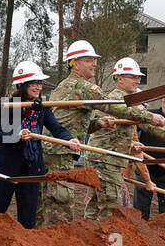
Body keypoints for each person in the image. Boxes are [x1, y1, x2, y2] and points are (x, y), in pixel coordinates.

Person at [85, 57, 165, 220]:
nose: (138, 80)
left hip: (104, 160)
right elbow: (149, 125)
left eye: (139, 77)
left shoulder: (128, 101)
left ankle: (90, 240)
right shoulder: (117, 100)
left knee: (95, 207)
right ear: (120, 79)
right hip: (106, 161)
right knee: (109, 207)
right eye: (134, 77)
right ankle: (105, 242)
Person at [0, 61, 79, 229]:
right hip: (6, 166)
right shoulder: (9, 105)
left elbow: (56, 128)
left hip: (32, 167)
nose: (38, 87)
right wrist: (17, 135)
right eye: (34, 83)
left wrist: (69, 139)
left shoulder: (42, 108)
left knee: (29, 217)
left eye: (40, 83)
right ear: (22, 85)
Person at [36, 40, 116, 227]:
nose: (94, 64)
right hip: (60, 152)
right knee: (60, 205)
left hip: (54, 150)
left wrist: (97, 123)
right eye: (89, 60)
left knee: (47, 205)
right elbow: (113, 105)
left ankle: (44, 242)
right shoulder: (81, 87)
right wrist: (145, 114)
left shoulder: (64, 86)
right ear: (75, 63)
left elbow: (71, 123)